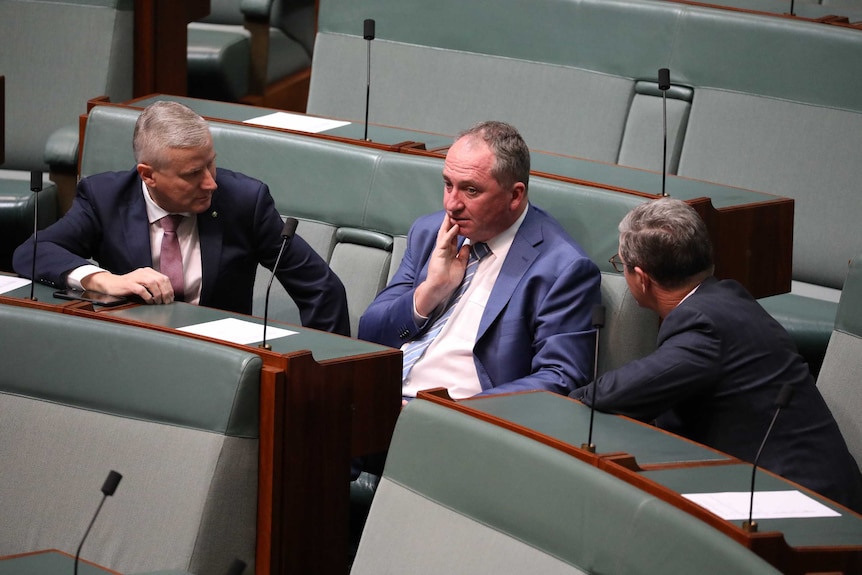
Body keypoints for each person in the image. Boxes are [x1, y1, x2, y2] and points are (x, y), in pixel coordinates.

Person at [569, 197, 862, 511]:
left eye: (621, 265)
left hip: (806, 504)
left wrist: (568, 399)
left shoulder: (702, 325)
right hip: (796, 486)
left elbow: (626, 390)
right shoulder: (727, 295)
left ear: (641, 279)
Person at [13, 101, 349, 335]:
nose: (210, 182)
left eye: (211, 163)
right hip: (132, 349)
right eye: (192, 174)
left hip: (222, 361)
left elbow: (323, 289)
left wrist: (318, 383)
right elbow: (32, 252)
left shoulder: (244, 201)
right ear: (148, 175)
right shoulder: (105, 198)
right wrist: (102, 279)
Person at [358, 121, 601, 401]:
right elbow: (370, 334)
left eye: (471, 190)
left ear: (515, 195)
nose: (452, 204)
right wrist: (428, 292)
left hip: (459, 420)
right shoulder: (430, 233)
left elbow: (560, 377)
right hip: (379, 399)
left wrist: (456, 414)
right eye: (448, 185)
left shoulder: (563, 269)